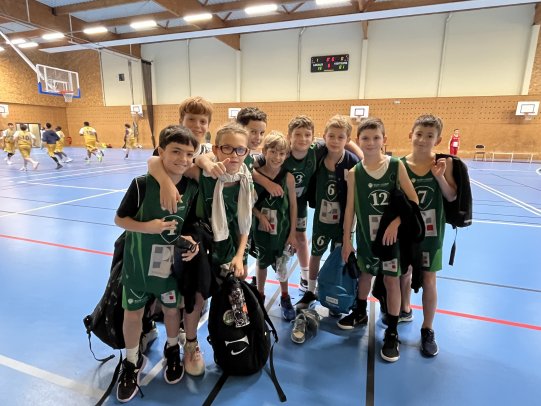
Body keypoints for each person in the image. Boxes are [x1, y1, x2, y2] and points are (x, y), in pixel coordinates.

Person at [114, 125, 201, 402]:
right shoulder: (141, 185)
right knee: (132, 314)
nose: (183, 159)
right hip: (138, 265)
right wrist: (148, 227)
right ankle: (131, 361)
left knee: (172, 311)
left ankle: (172, 349)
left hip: (169, 267)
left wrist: (193, 241)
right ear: (161, 152)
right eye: (176, 151)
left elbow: (191, 225)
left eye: (189, 154)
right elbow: (120, 219)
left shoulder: (192, 188)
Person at [340, 117, 418, 363]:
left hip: (391, 239)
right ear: (358, 140)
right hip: (366, 237)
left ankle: (392, 331)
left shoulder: (395, 166)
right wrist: (347, 239)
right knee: (365, 275)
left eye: (376, 138)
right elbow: (350, 209)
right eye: (365, 138)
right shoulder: (355, 173)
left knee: (391, 280)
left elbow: (413, 200)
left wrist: (396, 223)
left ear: (384, 139)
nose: (371, 142)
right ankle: (360, 312)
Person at [256, 115, 363, 293]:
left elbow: (342, 139)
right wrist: (266, 183)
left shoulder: (316, 150)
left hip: (300, 202)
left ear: (313, 138)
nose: (303, 139)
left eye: (307, 135)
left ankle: (305, 276)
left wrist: (362, 157)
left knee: (300, 237)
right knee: (275, 239)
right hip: (277, 202)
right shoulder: (282, 153)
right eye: (297, 135)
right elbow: (251, 166)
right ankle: (268, 275)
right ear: (289, 137)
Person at [393, 114, 457, 357]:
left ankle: (428, 329)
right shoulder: (399, 164)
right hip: (407, 231)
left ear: (437, 140)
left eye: (429, 136)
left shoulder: (443, 164)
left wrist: (439, 176)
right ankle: (405, 309)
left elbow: (451, 196)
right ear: (411, 135)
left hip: (432, 232)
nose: (422, 139)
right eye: (419, 134)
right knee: (404, 273)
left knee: (429, 278)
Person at [295, 115, 360, 311]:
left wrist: (349, 231)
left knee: (339, 257)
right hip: (322, 220)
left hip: (344, 223)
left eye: (341, 137)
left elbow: (353, 201)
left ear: (348, 140)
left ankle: (336, 293)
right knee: (315, 254)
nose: (335, 141)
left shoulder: (352, 163)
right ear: (324, 137)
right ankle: (310, 291)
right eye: (331, 136)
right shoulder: (317, 156)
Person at [196, 122, 255, 281]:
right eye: (227, 148)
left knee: (240, 277)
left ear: (246, 152)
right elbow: (155, 162)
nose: (234, 155)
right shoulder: (203, 175)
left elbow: (245, 222)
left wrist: (240, 255)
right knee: (208, 285)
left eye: (240, 149)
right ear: (216, 149)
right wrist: (205, 162)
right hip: (211, 243)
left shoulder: (246, 178)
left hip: (238, 240)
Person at [252, 131, 297, 320]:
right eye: (273, 152)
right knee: (261, 262)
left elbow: (293, 206)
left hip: (282, 231)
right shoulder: (254, 177)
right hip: (261, 231)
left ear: (286, 155)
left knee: (282, 264)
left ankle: (285, 296)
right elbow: (247, 203)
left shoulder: (288, 178)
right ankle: (260, 295)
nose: (277, 157)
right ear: (264, 151)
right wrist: (259, 216)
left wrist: (292, 233)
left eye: (281, 153)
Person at [148, 96, 215, 213]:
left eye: (203, 121)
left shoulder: (209, 152)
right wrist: (165, 182)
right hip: (171, 212)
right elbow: (153, 161)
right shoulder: (168, 150)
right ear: (181, 121)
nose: (197, 125)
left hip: (200, 214)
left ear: (208, 126)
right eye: (191, 119)